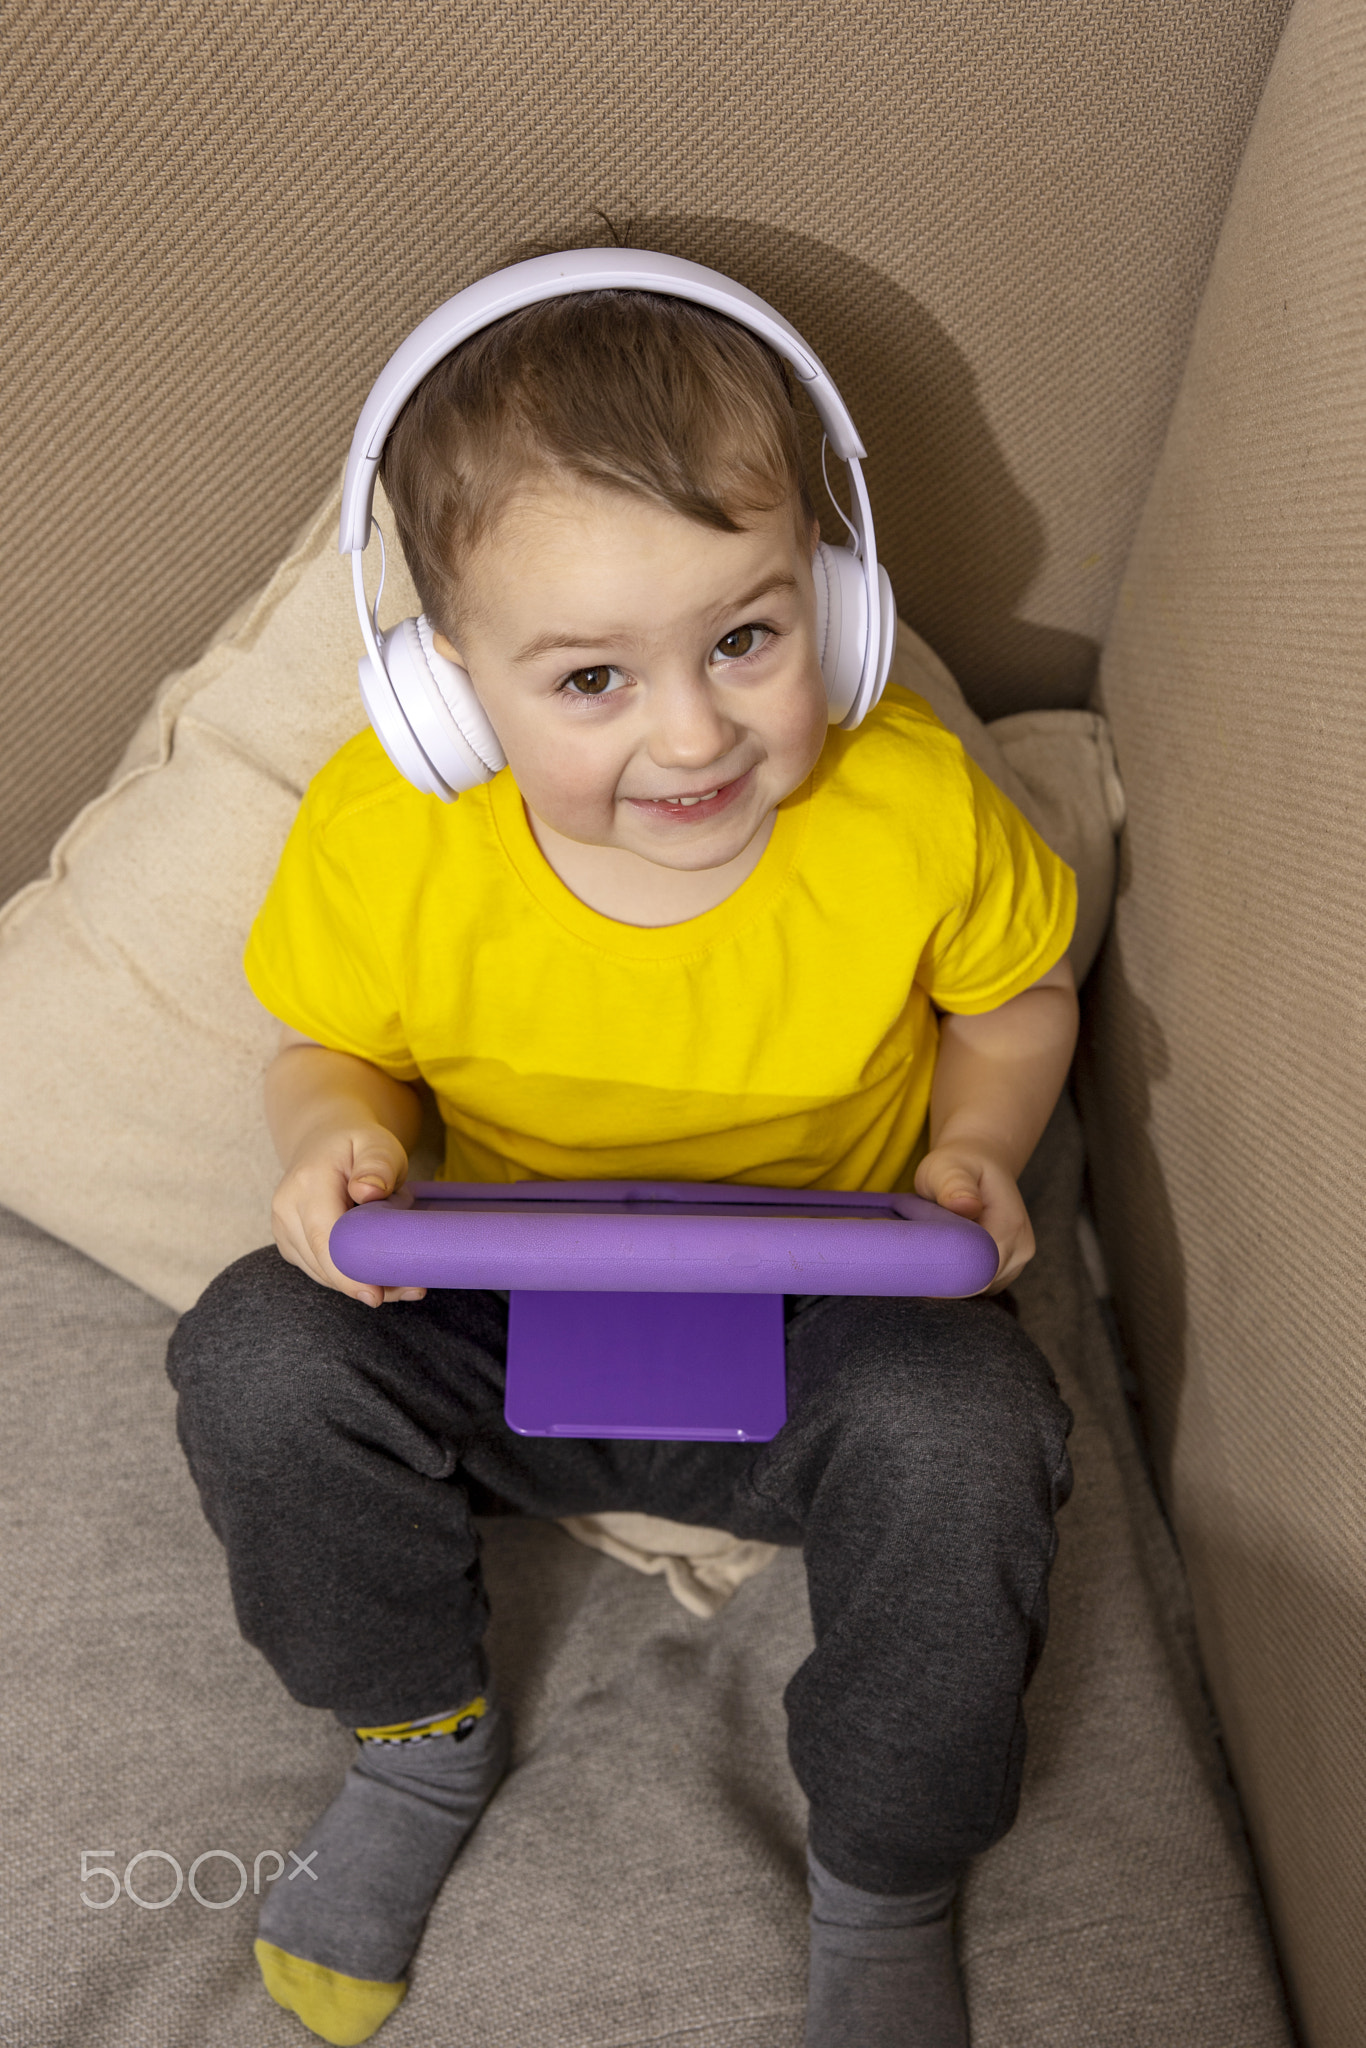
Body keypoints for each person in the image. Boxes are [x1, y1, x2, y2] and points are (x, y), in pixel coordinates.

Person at [167, 272, 1078, 2048]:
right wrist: (339, 1130)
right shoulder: (389, 831)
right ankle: (413, 1743)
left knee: (975, 1430)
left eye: (744, 641)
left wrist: (978, 1144)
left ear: (834, 602)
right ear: (449, 695)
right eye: (589, 678)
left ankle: (887, 1872)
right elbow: (326, 1044)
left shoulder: (910, 802)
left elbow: (1020, 1002)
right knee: (255, 1352)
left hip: (831, 1314)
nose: (690, 735)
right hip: (502, 1314)